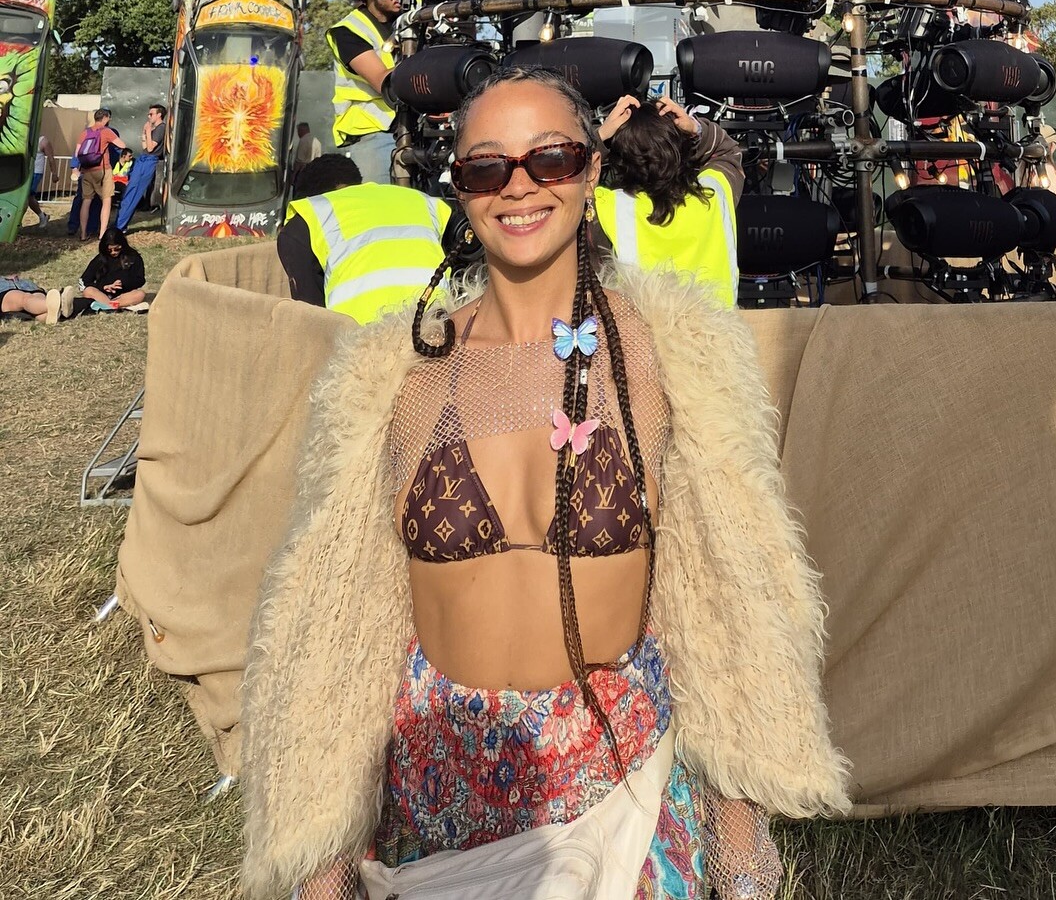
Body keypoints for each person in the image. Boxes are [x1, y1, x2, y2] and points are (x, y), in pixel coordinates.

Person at [241, 66, 846, 900]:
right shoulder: (391, 378)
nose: (519, 186)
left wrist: (737, 831)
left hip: (624, 798)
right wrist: (321, 858)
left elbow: (731, 590)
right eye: (487, 167)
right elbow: (331, 619)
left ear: (592, 169)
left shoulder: (674, 357)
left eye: (550, 158)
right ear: (460, 189)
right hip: (432, 813)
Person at [594, 92, 742, 304]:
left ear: (619, 160)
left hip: (643, 326)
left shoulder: (605, 207)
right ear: (683, 149)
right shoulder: (715, 193)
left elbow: (568, 179)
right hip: (717, 324)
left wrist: (601, 136)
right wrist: (694, 128)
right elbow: (727, 150)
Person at [278, 152, 450, 322]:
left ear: (313, 198)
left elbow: (312, 319)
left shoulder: (309, 217)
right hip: (439, 323)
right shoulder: (425, 201)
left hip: (362, 334)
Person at [327, 0, 402, 184]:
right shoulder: (347, 32)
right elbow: (383, 82)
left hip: (414, 130)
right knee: (379, 202)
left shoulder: (413, 19)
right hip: (373, 134)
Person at [58, 227, 148, 317]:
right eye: (109, 250)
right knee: (88, 291)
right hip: (102, 295)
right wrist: (104, 287)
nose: (113, 252)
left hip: (123, 295)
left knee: (140, 294)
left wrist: (123, 283)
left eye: (117, 249)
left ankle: (107, 306)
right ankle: (113, 306)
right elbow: (84, 281)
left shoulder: (134, 257)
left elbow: (140, 280)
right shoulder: (100, 259)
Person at [71, 107, 121, 241]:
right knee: (104, 200)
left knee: (84, 200)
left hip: (86, 170)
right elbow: (120, 146)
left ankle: (78, 230)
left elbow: (77, 152)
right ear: (106, 118)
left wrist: (74, 167)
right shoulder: (109, 131)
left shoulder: (85, 132)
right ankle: (100, 232)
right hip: (102, 169)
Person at [115, 105, 166, 232]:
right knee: (130, 191)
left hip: (149, 161)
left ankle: (120, 226)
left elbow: (150, 148)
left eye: (151, 114)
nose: (149, 116)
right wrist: (144, 133)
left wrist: (148, 131)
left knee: (134, 193)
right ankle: (119, 223)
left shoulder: (161, 128)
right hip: (143, 159)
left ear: (159, 115)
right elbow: (145, 147)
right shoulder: (155, 129)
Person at [1, 275, 66, 322]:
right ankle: (59, 305)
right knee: (25, 299)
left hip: (26, 285)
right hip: (4, 290)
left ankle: (51, 314)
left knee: (37, 303)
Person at [26, 133, 52, 226]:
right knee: (26, 198)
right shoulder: (24, 138)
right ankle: (42, 216)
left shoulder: (43, 140)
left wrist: (54, 173)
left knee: (28, 196)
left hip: (36, 172)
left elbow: (51, 158)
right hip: (25, 171)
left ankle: (42, 216)